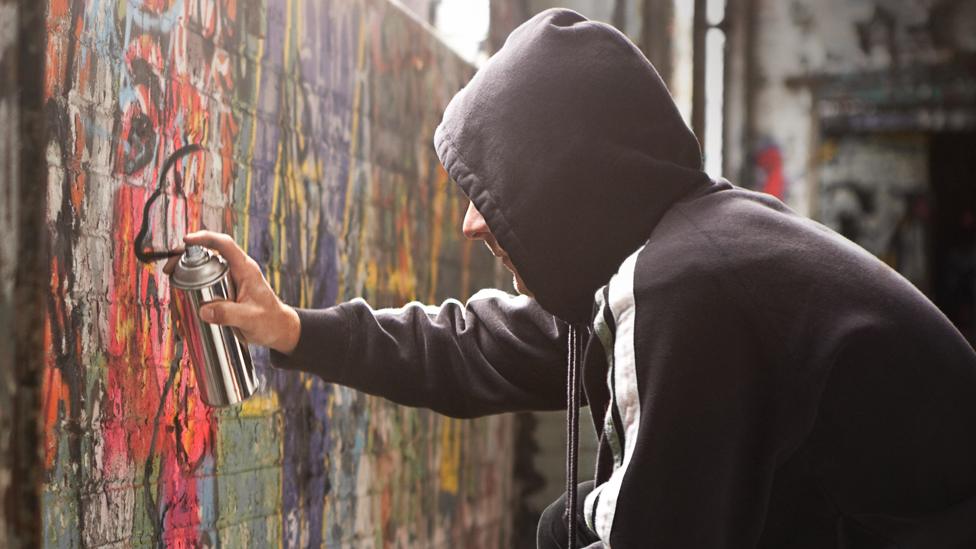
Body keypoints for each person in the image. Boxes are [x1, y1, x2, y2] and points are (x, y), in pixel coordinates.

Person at [167, 9, 976, 549]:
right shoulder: (684, 247)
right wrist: (292, 329)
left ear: (562, 180)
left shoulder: (690, 286)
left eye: (490, 193)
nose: (473, 223)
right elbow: (471, 346)